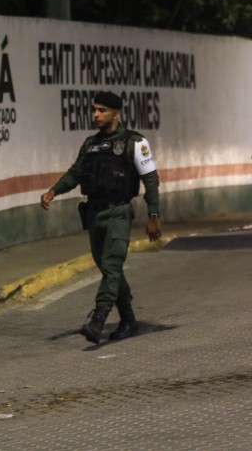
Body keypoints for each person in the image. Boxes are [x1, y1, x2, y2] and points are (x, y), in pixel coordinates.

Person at [40, 91, 162, 344]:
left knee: (113, 264)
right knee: (109, 268)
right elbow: (75, 173)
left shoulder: (135, 142)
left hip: (118, 211)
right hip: (94, 213)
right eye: (94, 110)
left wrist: (153, 215)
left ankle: (98, 318)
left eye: (101, 110)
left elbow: (150, 180)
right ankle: (128, 320)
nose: (95, 114)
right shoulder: (90, 144)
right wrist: (54, 190)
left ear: (116, 114)